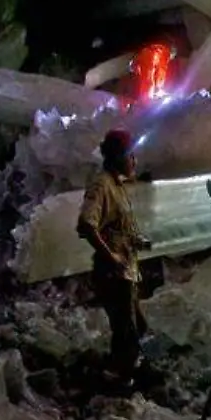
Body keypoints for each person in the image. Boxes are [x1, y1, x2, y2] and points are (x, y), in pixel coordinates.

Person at [76, 130, 151, 383]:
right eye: (131, 155)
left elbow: (120, 226)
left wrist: (138, 241)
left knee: (135, 327)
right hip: (114, 274)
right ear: (119, 157)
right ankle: (122, 380)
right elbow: (87, 224)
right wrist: (111, 257)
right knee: (127, 331)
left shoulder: (118, 186)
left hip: (126, 272)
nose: (134, 161)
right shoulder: (102, 186)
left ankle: (121, 371)